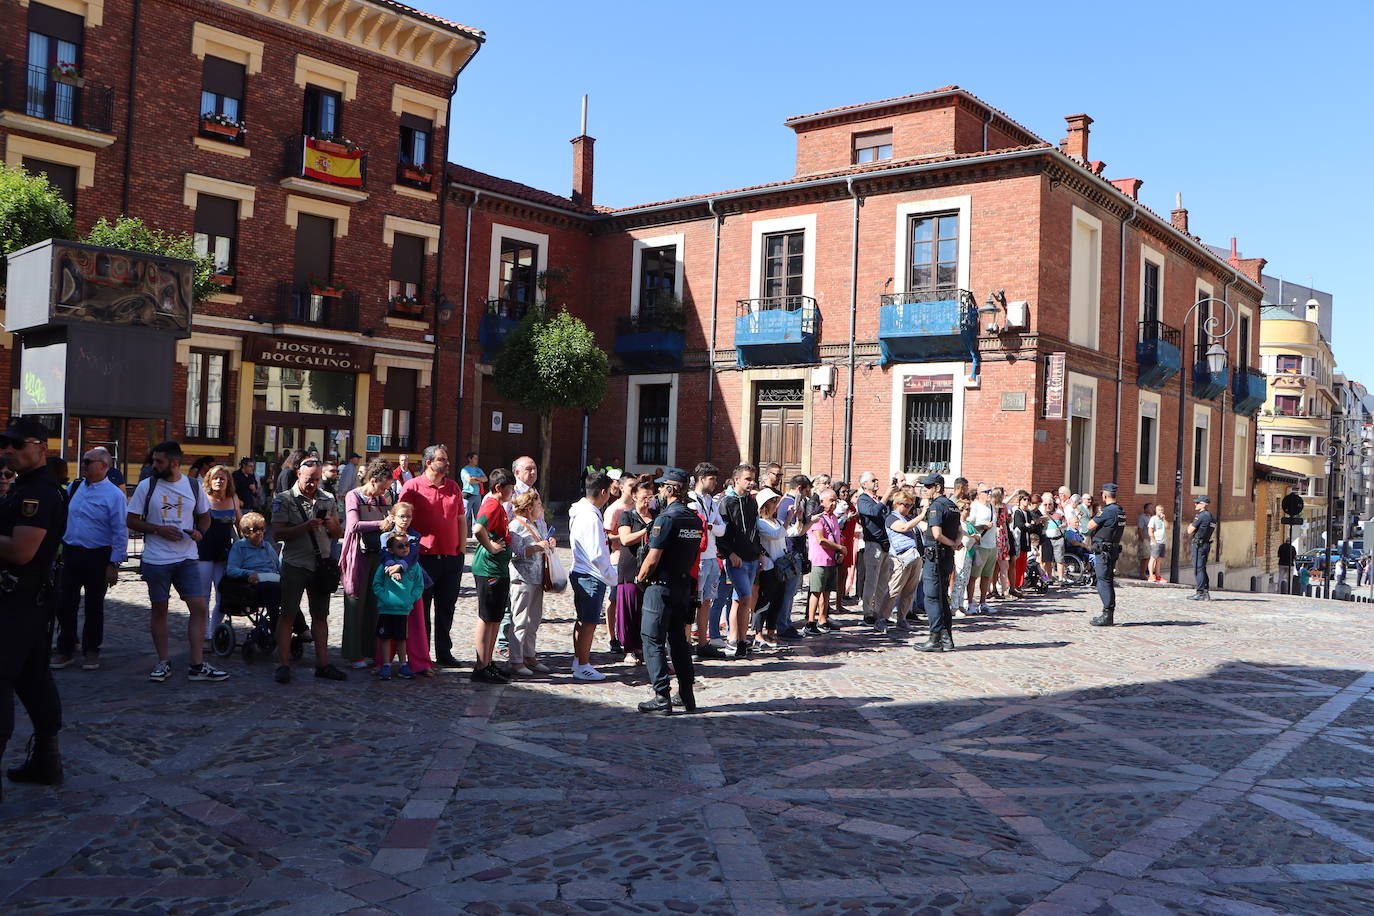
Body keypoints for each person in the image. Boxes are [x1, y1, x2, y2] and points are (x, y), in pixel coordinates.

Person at [0, 418, 68, 792]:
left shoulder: (37, 492)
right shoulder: (25, 486)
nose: (8, 450)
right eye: (4, 444)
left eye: (17, 443)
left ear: (41, 446)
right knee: (32, 677)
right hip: (29, 600)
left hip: (18, 600)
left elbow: (22, 551)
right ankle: (46, 760)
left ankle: (46, 759)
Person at [126, 441, 228, 683]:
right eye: (153, 460)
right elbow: (131, 519)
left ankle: (197, 665)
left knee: (199, 607)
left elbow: (205, 517)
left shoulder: (192, 486)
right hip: (156, 559)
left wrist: (199, 533)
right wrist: (157, 529)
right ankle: (163, 662)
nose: (154, 465)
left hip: (187, 557)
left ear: (174, 462)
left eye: (158, 461)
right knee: (160, 609)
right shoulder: (146, 486)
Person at [634, 468, 704, 715]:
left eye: (663, 487)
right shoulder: (694, 520)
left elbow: (653, 559)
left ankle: (661, 696)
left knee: (652, 640)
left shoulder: (666, 519)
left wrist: (639, 578)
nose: (660, 491)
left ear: (672, 489)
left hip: (660, 587)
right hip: (683, 587)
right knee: (679, 642)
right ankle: (686, 694)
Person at [270, 462, 347, 684]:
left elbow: (336, 534)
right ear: (298, 474)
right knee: (288, 615)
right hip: (295, 564)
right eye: (309, 478)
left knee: (321, 615)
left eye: (316, 479)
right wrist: (306, 526)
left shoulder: (327, 498)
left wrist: (332, 525)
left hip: (320, 564)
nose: (313, 483)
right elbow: (277, 534)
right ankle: (283, 665)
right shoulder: (284, 499)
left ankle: (323, 664)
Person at [52, 447, 127, 671]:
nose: (83, 465)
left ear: (103, 466)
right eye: (83, 461)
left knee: (94, 606)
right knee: (66, 604)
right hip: (72, 553)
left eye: (88, 461)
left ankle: (91, 649)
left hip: (98, 555)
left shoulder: (114, 495)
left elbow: (120, 531)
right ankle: (66, 648)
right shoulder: (75, 487)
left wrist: (113, 564)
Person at [399, 445, 466, 668]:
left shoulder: (454, 487)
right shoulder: (412, 487)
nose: (447, 463)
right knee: (422, 608)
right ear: (428, 462)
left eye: (446, 459)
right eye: (442, 459)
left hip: (451, 557)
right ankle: (422, 654)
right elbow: (401, 520)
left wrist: (462, 550)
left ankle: (444, 653)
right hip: (423, 558)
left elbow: (460, 519)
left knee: (446, 607)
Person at [340, 459, 395, 669]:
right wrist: (380, 524)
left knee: (374, 603)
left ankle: (370, 650)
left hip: (376, 554)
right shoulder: (354, 496)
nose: (384, 492)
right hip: (357, 554)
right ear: (372, 481)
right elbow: (353, 525)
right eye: (382, 487)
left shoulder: (383, 498)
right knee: (356, 602)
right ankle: (354, 653)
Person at [470, 468, 515, 684]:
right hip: (489, 570)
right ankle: (481, 666)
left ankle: (488, 661)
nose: (512, 493)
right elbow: (478, 529)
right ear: (499, 488)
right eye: (511, 489)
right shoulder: (491, 503)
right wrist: (491, 547)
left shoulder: (499, 506)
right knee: (487, 618)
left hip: (498, 569)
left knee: (495, 618)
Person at [570, 474, 615, 680]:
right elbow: (597, 553)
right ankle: (583, 664)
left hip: (583, 571)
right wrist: (610, 575)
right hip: (590, 574)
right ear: (603, 492)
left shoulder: (583, 512)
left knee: (583, 620)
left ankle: (579, 659)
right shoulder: (590, 517)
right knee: (589, 622)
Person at [507, 489, 554, 675]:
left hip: (537, 577)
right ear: (528, 508)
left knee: (534, 619)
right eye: (538, 505)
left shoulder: (537, 524)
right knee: (520, 619)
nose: (541, 508)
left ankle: (529, 655)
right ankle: (515, 660)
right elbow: (515, 552)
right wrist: (536, 547)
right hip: (522, 578)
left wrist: (548, 544)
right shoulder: (516, 525)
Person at [717, 464, 761, 655]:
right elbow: (721, 534)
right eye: (747, 479)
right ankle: (742, 642)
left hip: (751, 557)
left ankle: (733, 637)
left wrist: (759, 553)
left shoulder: (752, 502)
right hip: (736, 559)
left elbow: (754, 530)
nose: (751, 483)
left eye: (753, 479)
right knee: (745, 597)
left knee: (738, 599)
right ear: (736, 480)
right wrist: (729, 553)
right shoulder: (726, 502)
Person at [197, 465, 243, 642]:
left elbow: (240, 524)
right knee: (203, 595)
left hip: (225, 552)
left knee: (223, 594)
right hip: (203, 550)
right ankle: (203, 630)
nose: (219, 481)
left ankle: (214, 630)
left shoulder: (233, 499)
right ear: (209, 480)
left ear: (228, 482)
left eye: (222, 478)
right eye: (215, 478)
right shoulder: (202, 499)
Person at [914, 474, 960, 652]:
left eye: (928, 486)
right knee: (942, 597)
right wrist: (955, 542)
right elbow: (959, 530)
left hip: (936, 556)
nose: (925, 489)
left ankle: (935, 639)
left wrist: (952, 543)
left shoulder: (936, 507)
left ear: (938, 487)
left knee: (932, 598)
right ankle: (947, 639)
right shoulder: (952, 506)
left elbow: (936, 534)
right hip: (946, 556)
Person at [686, 463, 727, 660]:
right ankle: (687, 643)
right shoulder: (690, 501)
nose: (715, 482)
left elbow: (722, 529)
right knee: (694, 600)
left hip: (712, 556)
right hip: (698, 557)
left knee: (707, 601)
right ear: (701, 478)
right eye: (712, 479)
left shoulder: (711, 500)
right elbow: (699, 527)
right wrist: (712, 526)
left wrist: (711, 526)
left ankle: (703, 643)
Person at [373, 534, 425, 680]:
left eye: (407, 545)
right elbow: (377, 584)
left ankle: (403, 664)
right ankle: (386, 664)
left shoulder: (414, 567)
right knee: (385, 638)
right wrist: (385, 597)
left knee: (402, 638)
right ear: (391, 549)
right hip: (386, 608)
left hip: (403, 610)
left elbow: (418, 586)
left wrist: (410, 599)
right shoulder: (385, 566)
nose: (404, 548)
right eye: (400, 546)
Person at [615, 480, 656, 664]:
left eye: (650, 497)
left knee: (645, 611)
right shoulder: (627, 516)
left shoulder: (656, 515)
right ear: (634, 497)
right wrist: (645, 531)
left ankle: (642, 646)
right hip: (630, 567)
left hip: (650, 568)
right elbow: (625, 539)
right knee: (629, 609)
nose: (647, 502)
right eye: (643, 498)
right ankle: (629, 649)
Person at [877, 489, 922, 634]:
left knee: (910, 591)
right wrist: (922, 515)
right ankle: (881, 619)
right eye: (906, 505)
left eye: (911, 506)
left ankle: (902, 619)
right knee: (893, 589)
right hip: (900, 558)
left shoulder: (909, 518)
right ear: (897, 504)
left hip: (914, 556)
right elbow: (903, 528)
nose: (909, 508)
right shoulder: (892, 518)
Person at [804, 488, 844, 636]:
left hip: (831, 560)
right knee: (816, 591)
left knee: (827, 592)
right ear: (822, 501)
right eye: (831, 500)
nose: (834, 504)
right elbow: (821, 540)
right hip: (819, 559)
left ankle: (823, 618)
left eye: (835, 500)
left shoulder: (833, 517)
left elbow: (836, 535)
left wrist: (839, 552)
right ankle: (810, 621)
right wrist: (840, 547)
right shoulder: (817, 517)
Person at [751, 487, 787, 649]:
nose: (776, 504)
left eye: (776, 501)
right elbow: (777, 534)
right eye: (773, 501)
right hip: (768, 567)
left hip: (781, 568)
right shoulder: (761, 523)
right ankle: (758, 633)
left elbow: (790, 532)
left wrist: (803, 520)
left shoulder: (777, 522)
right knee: (764, 601)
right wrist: (789, 519)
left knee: (778, 601)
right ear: (764, 504)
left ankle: (771, 632)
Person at [225, 512, 282, 614]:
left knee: (290, 591)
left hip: (272, 578)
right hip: (253, 583)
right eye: (255, 530)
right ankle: (276, 624)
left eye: (262, 529)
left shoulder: (267, 546)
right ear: (246, 532)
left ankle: (300, 627)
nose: (259, 532)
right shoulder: (239, 547)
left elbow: (279, 567)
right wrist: (248, 573)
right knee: (273, 588)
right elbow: (231, 570)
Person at [1086, 484, 1125, 626]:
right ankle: (1108, 613)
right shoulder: (1120, 510)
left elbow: (1090, 525)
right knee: (1107, 580)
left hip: (1103, 551)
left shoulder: (1108, 511)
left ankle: (1107, 614)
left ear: (1105, 495)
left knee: (1103, 581)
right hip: (1112, 550)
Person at [856, 472, 893, 625]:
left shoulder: (878, 500)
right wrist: (886, 496)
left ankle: (878, 611)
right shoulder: (863, 500)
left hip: (885, 543)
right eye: (873, 480)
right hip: (873, 544)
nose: (876, 482)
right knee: (871, 579)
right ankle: (868, 612)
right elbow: (874, 512)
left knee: (883, 581)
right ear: (864, 484)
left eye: (877, 479)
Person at [968, 484, 998, 614]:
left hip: (992, 545)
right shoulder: (974, 506)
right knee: (974, 576)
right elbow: (969, 525)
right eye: (987, 491)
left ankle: (983, 602)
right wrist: (982, 526)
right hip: (980, 546)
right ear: (979, 493)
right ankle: (969, 602)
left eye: (990, 491)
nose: (990, 494)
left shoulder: (991, 507)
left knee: (987, 576)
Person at [1186, 496, 1215, 600]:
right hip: (1206, 543)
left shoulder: (1201, 516)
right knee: (1202, 568)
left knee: (1198, 569)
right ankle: (1205, 592)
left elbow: (1189, 531)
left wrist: (1190, 525)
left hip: (1199, 544)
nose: (1195, 504)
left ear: (1203, 505)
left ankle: (1200, 592)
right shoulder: (1211, 516)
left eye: (1197, 503)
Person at [459, 452, 487, 531]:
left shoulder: (479, 469)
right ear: (469, 459)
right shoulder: (465, 469)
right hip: (468, 495)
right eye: (475, 458)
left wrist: (475, 478)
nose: (477, 460)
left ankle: (475, 534)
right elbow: (469, 480)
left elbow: (485, 479)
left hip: (477, 495)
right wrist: (479, 480)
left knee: (477, 516)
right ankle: (460, 533)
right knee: (464, 515)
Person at [1148, 505, 1168, 582]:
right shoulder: (1153, 519)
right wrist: (1153, 541)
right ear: (1156, 511)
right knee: (1153, 558)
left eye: (1162, 510)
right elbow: (1150, 530)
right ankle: (1151, 575)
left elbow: (1167, 526)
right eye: (1159, 510)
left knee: (1159, 560)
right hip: (1156, 541)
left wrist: (1164, 519)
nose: (1160, 511)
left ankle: (1158, 575)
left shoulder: (1162, 519)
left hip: (1162, 541)